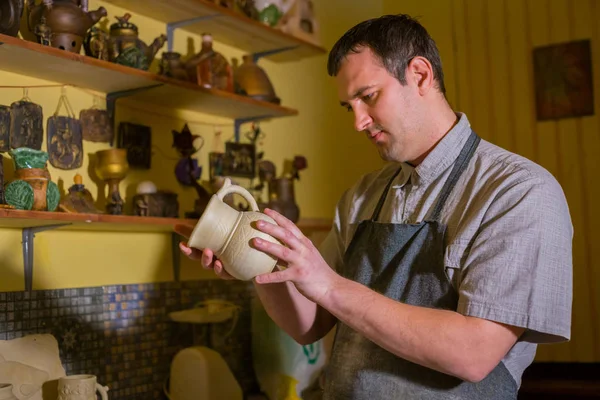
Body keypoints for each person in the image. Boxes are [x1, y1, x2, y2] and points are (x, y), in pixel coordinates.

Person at [177, 14, 573, 400]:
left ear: (420, 74)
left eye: (368, 97)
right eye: (350, 107)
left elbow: (473, 353)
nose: (358, 122)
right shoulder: (363, 195)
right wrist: (254, 260)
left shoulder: (518, 191)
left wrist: (330, 285)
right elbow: (310, 325)